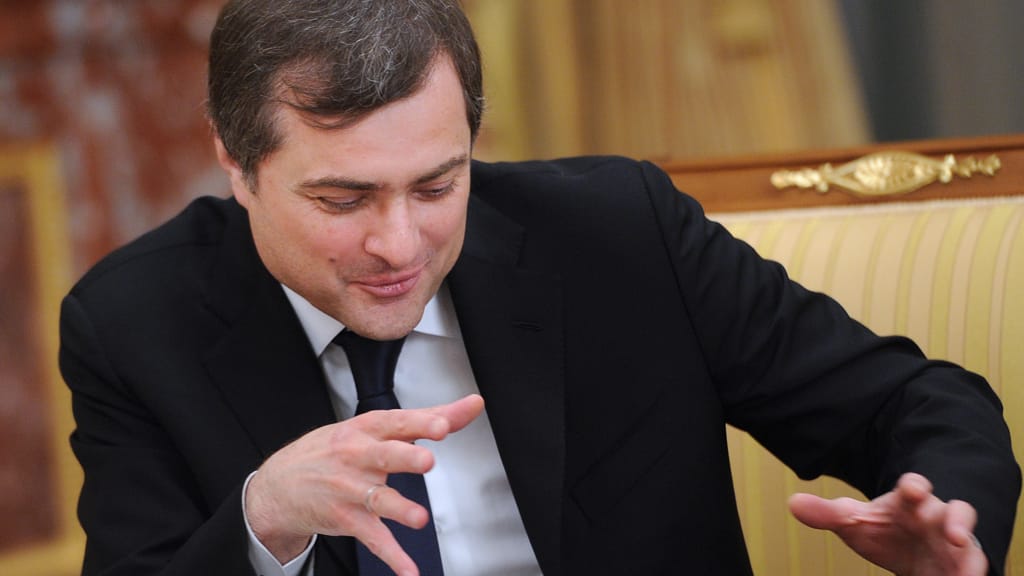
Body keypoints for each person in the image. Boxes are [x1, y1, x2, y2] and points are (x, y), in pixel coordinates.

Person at [58, 0, 1019, 575]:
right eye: (343, 199)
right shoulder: (135, 324)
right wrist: (261, 522)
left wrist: (947, 515)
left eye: (437, 185)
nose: (399, 243)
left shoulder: (620, 237)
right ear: (235, 162)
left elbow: (917, 402)